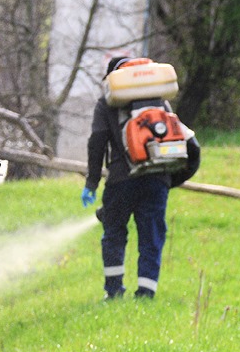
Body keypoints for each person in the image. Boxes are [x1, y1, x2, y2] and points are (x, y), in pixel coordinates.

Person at [81, 56, 197, 300]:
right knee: (151, 235)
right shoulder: (160, 101)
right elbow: (192, 147)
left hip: (120, 181)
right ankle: (146, 293)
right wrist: (169, 181)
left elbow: (97, 143)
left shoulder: (106, 103)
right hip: (157, 180)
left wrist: (91, 183)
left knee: (114, 233)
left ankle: (113, 292)